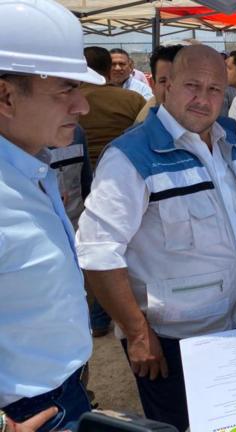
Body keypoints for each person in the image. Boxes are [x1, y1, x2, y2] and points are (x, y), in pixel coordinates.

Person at [76, 45, 236, 431]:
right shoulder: (131, 154)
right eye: (192, 85)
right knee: (180, 425)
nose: (203, 98)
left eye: (214, 89)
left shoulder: (228, 134)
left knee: (231, 419)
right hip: (171, 340)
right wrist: (139, 333)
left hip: (234, 322)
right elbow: (96, 252)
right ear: (166, 86)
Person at [0, 0, 104, 430]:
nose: (83, 107)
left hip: (64, 391)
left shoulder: (29, 166)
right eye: (66, 89)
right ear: (5, 96)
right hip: (27, 412)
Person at [80, 47, 146, 167]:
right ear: (109, 69)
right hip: (124, 166)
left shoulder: (67, 100)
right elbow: (148, 135)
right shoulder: (134, 99)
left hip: (77, 170)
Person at [135, 44, 184, 124]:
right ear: (153, 85)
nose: (171, 88)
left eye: (181, 81)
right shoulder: (139, 134)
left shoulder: (209, 127)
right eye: (163, 81)